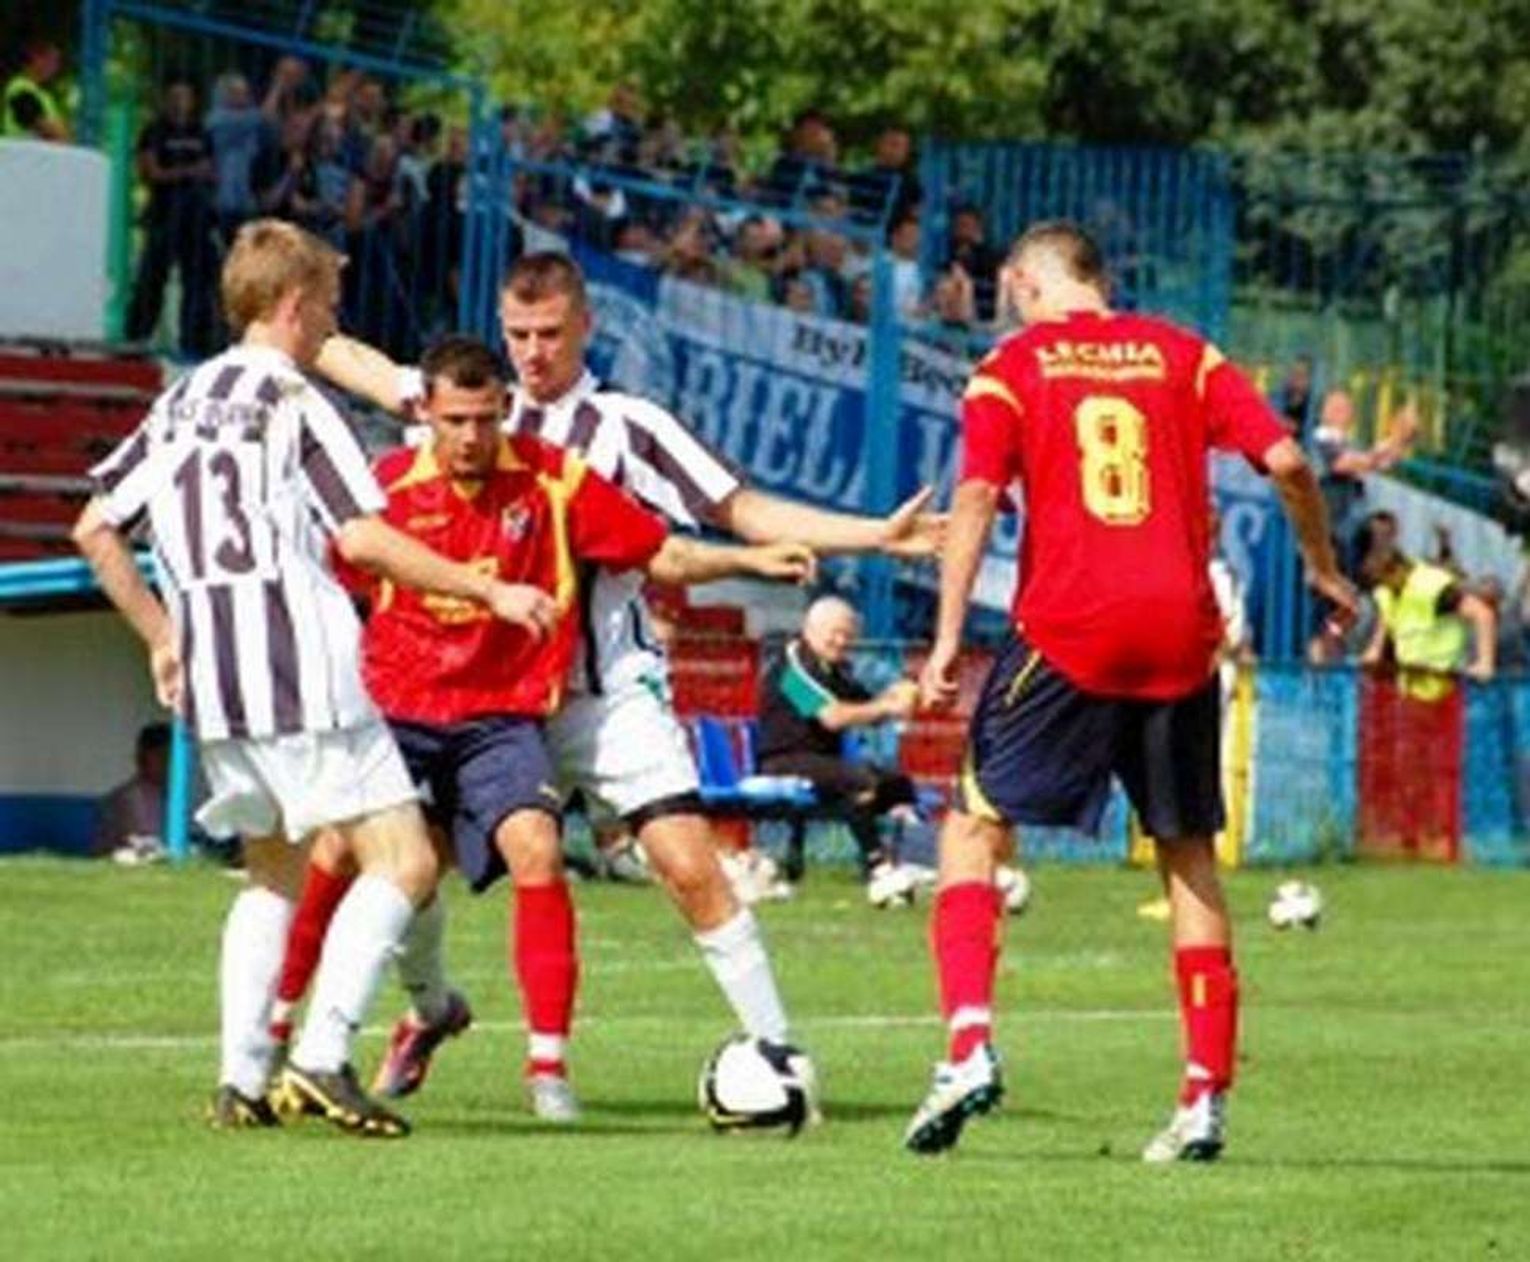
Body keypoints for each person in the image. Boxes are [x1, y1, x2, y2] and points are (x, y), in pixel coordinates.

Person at [311, 250, 942, 1115]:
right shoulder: (467, 410)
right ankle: (427, 1008)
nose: (533, 352)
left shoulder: (628, 427)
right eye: (518, 334)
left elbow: (740, 508)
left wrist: (871, 536)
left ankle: (780, 1054)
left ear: (586, 326)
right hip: (484, 696)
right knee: (405, 862)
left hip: (603, 693)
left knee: (688, 863)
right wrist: (285, 308)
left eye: (550, 333)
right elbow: (352, 358)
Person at [73, 218, 554, 1139]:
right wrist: (488, 588)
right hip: (302, 664)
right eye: (329, 303)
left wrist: (161, 636)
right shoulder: (293, 400)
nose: (334, 322)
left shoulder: (180, 399)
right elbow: (362, 537)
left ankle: (239, 1077)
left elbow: (95, 529)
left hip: (219, 678)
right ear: (294, 305)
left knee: (272, 872)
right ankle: (325, 1054)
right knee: (406, 861)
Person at [270, 334, 814, 1121]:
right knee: (352, 854)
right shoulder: (384, 488)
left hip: (502, 717)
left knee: (537, 847)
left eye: (485, 419)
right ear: (425, 413)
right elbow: (337, 580)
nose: (470, 437)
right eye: (454, 420)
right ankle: (287, 1027)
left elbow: (657, 550)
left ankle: (549, 1071)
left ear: (505, 410)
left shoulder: (554, 478)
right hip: (403, 708)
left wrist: (749, 561)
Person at [902, 220, 1357, 1161]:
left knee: (973, 828)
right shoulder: (1185, 355)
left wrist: (946, 637)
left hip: (1070, 626)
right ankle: (1203, 1098)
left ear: (1024, 282)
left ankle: (968, 1047)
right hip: (1181, 635)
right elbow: (1288, 461)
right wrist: (1321, 566)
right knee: (1187, 856)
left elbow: (977, 497)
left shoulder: (1009, 367)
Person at [756, 595, 919, 878]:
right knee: (859, 781)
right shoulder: (791, 670)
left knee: (898, 785)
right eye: (835, 633)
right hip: (785, 759)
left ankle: (907, 857)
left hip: (822, 761)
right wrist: (887, 706)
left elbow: (866, 706)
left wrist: (904, 694)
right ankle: (877, 864)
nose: (842, 642)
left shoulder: (834, 669)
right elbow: (832, 717)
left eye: (848, 635)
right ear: (810, 629)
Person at [125, 79, 220, 357]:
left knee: (197, 280)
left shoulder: (200, 132)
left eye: (185, 96)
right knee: (152, 277)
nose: (180, 102)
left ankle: (194, 342)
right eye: (175, 96)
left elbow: (211, 170)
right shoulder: (154, 131)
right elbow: (151, 172)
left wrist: (203, 175)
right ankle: (136, 339)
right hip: (164, 213)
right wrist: (189, 172)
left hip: (196, 217)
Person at [94, 722, 171, 863]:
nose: (166, 764)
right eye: (161, 757)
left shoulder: (174, 798)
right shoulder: (121, 799)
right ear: (142, 757)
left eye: (169, 758)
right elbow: (104, 848)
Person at [2, 39, 69, 141]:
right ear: (37, 59)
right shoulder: (20, 88)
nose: (55, 67)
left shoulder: (43, 93)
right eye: (52, 61)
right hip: (23, 149)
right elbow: (43, 126)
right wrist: (62, 132)